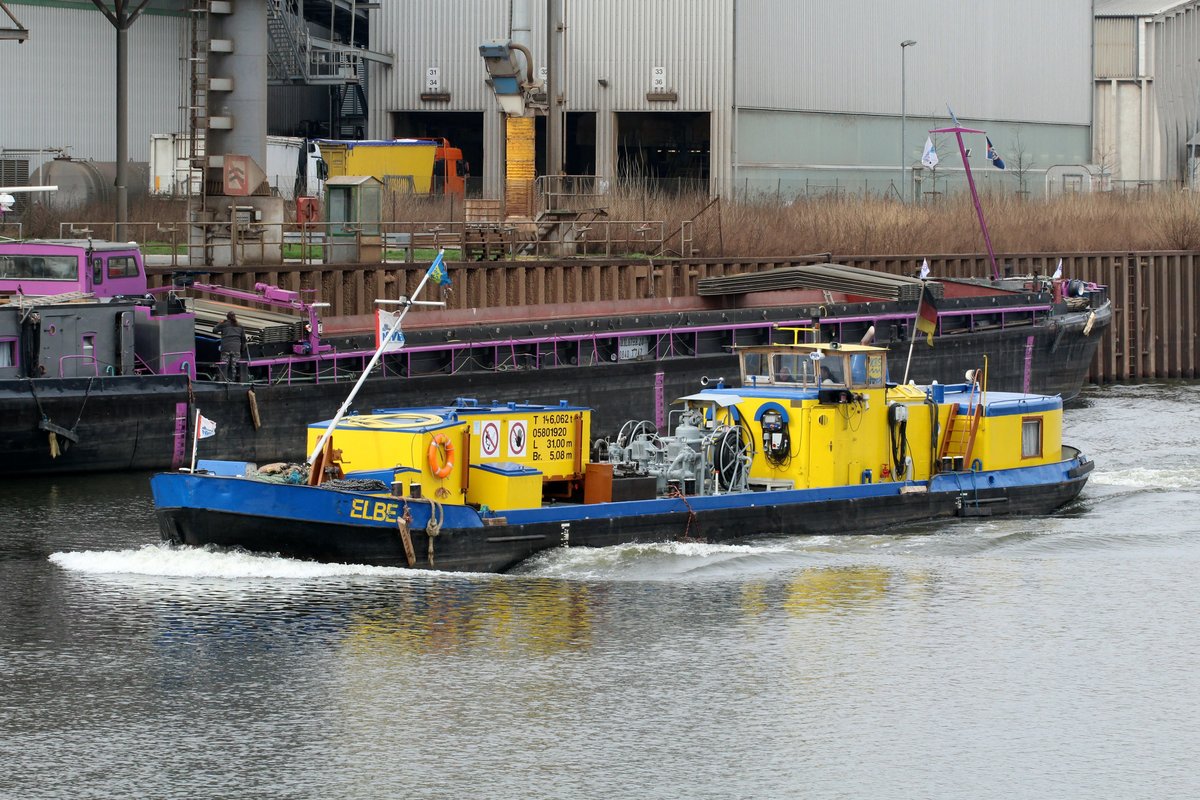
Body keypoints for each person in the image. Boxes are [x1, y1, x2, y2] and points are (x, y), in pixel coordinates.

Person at [213, 312, 248, 381]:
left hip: (226, 348)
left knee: (224, 365)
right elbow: (243, 339)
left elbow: (214, 330)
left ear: (227, 317)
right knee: (234, 367)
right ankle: (234, 382)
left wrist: (220, 323)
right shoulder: (240, 326)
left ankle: (223, 381)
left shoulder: (224, 324)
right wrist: (242, 349)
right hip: (236, 349)